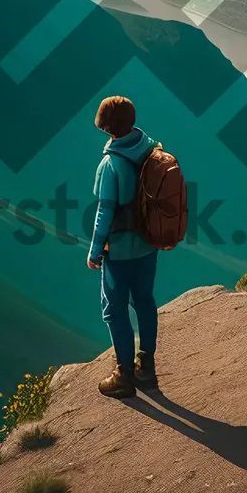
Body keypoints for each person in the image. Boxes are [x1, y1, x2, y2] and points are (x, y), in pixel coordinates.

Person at [87, 95, 159, 398]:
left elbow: (105, 210)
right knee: (143, 300)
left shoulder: (111, 163)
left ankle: (124, 374)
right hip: (149, 242)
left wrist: (94, 251)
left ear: (106, 128)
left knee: (114, 310)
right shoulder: (151, 150)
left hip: (119, 249)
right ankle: (147, 369)